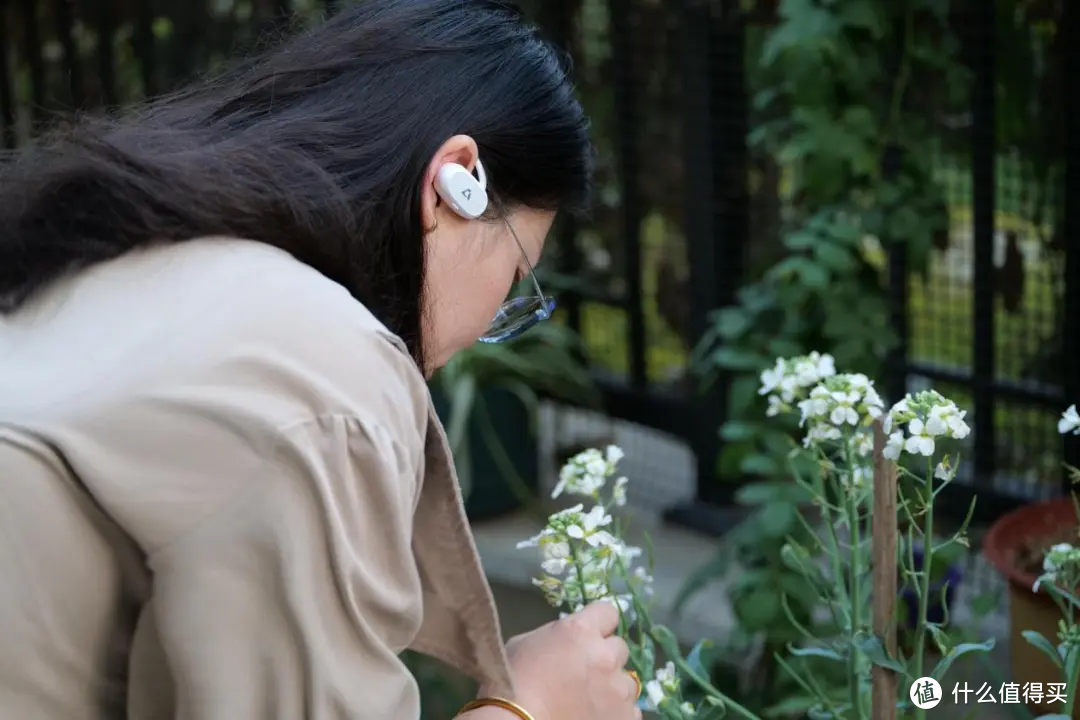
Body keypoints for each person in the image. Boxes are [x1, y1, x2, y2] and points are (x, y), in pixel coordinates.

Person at [0, 1, 643, 718]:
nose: (492, 321)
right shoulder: (325, 381)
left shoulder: (120, 264)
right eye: (517, 277)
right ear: (458, 183)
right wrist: (532, 706)